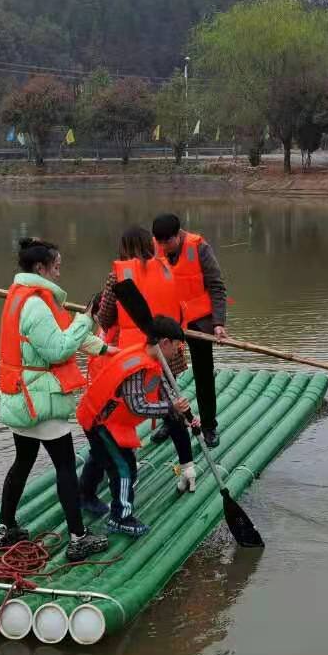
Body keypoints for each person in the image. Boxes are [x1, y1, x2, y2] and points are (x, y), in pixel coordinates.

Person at [0, 237, 111, 561]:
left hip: (21, 395)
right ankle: (78, 537)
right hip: (41, 398)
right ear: (40, 268)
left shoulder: (18, 297)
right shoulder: (36, 305)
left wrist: (105, 348)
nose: (59, 275)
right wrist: (87, 318)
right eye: (56, 268)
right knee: (64, 466)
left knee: (23, 461)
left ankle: (5, 527)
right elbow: (59, 348)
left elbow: (58, 338)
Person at [94, 226, 197, 489]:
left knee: (124, 411)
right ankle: (188, 467)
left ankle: (126, 464)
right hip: (168, 353)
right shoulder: (165, 268)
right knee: (173, 408)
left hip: (136, 355)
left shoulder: (117, 275)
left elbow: (106, 317)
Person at [77, 317, 192, 536]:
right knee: (123, 467)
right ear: (165, 343)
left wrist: (186, 415)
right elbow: (138, 405)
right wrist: (170, 408)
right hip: (100, 421)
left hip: (107, 421)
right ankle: (120, 517)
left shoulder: (153, 360)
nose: (177, 353)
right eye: (177, 348)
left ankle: (85, 495)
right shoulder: (136, 365)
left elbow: (165, 390)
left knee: (102, 455)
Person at [151, 213, 228, 447]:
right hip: (168, 322)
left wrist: (218, 323)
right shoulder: (154, 248)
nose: (163, 247)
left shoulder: (200, 247)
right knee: (165, 374)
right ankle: (170, 420)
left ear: (178, 235)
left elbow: (217, 285)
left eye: (168, 242)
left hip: (198, 322)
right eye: (160, 242)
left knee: (204, 375)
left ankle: (209, 426)